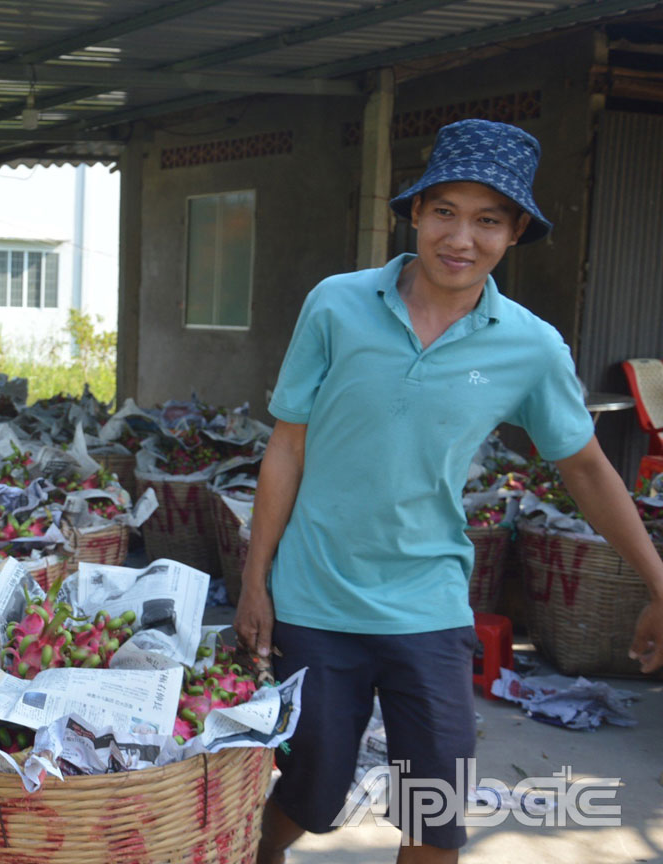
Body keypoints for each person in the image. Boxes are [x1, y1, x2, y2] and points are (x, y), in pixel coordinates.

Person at [233, 119, 663, 864]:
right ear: (415, 212)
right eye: (444, 212)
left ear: (515, 232)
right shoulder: (336, 305)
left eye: (488, 220)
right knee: (311, 790)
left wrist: (658, 581)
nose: (461, 238)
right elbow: (287, 446)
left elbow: (588, 468)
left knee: (434, 811)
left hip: (428, 605)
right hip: (314, 598)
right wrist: (254, 580)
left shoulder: (530, 345)